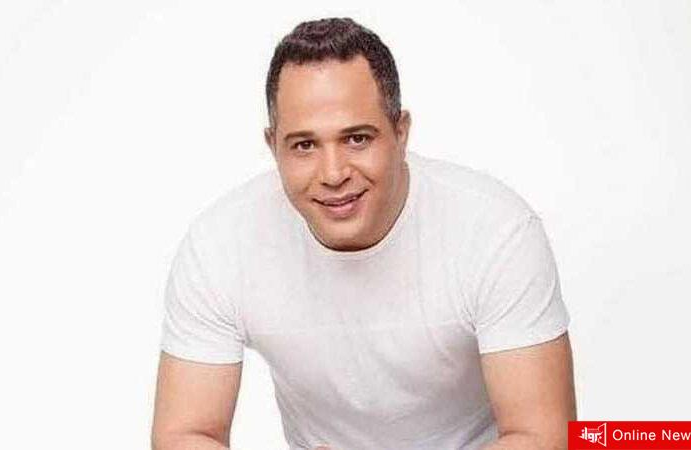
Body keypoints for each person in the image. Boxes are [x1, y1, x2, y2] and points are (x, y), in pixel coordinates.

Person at [151, 17, 576, 450]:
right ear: (272, 146)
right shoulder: (221, 244)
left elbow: (548, 436)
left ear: (400, 133)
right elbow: (184, 434)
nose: (333, 174)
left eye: (356, 139)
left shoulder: (495, 230)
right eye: (304, 145)